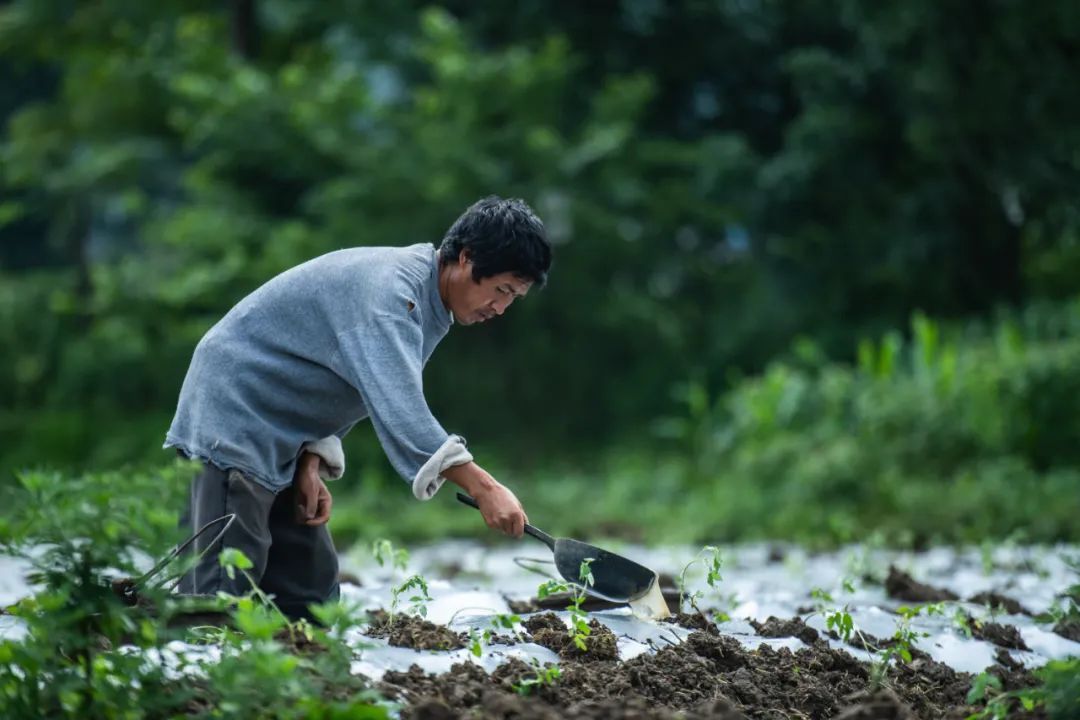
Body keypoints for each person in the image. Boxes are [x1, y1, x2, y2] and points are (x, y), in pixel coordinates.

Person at [165, 196, 552, 620]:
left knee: (309, 590)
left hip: (285, 438)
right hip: (236, 414)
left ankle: (304, 675)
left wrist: (312, 458)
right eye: (501, 290)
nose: (500, 308)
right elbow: (400, 406)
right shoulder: (394, 294)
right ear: (465, 258)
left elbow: (350, 378)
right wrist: (484, 488)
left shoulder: (428, 303)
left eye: (513, 297)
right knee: (219, 593)